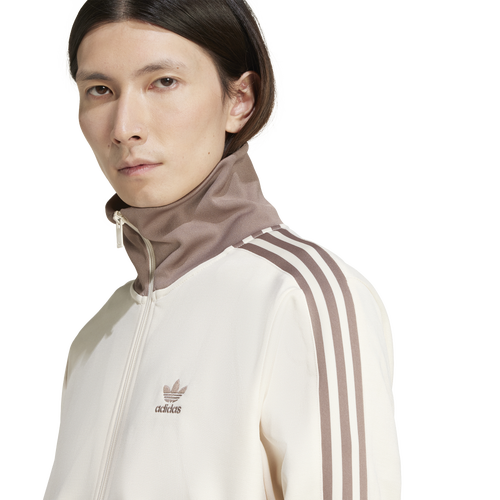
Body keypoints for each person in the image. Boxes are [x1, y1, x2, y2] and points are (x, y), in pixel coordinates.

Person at [42, 0, 402, 498]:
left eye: (163, 81)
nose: (124, 128)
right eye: (100, 90)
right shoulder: (95, 339)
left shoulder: (301, 296)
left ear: (240, 100)